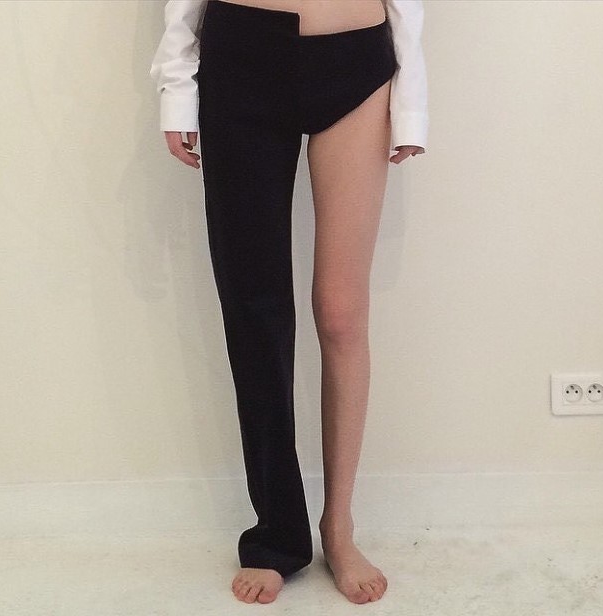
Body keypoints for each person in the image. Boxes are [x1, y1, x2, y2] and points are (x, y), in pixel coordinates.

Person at [150, 0, 428, 605]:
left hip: (357, 60)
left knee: (342, 312)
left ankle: (339, 524)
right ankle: (278, 533)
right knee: (256, 308)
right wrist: (177, 85)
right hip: (242, 56)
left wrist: (413, 100)